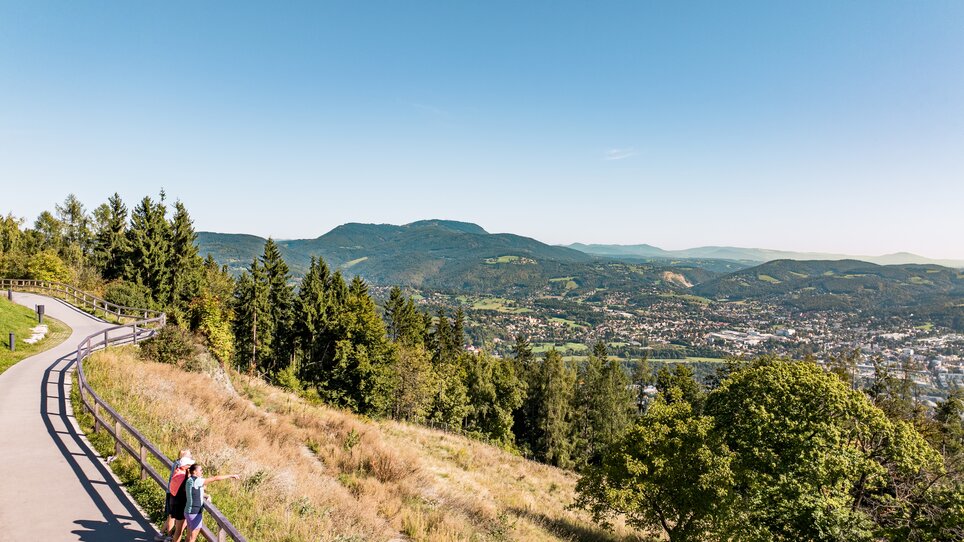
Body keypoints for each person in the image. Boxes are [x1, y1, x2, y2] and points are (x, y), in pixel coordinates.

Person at [184, 463, 241, 542]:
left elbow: (194, 493)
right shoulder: (197, 481)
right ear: (194, 472)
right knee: (192, 538)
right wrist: (231, 476)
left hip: (188, 511)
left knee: (188, 537)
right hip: (195, 512)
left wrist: (206, 495)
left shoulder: (189, 480)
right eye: (200, 470)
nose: (202, 472)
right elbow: (215, 478)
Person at [156, 450, 193, 542]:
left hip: (172, 491)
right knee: (172, 516)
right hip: (176, 495)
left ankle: (162, 534)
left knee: (172, 515)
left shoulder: (177, 465)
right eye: (189, 456)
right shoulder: (181, 469)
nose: (191, 457)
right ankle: (168, 536)